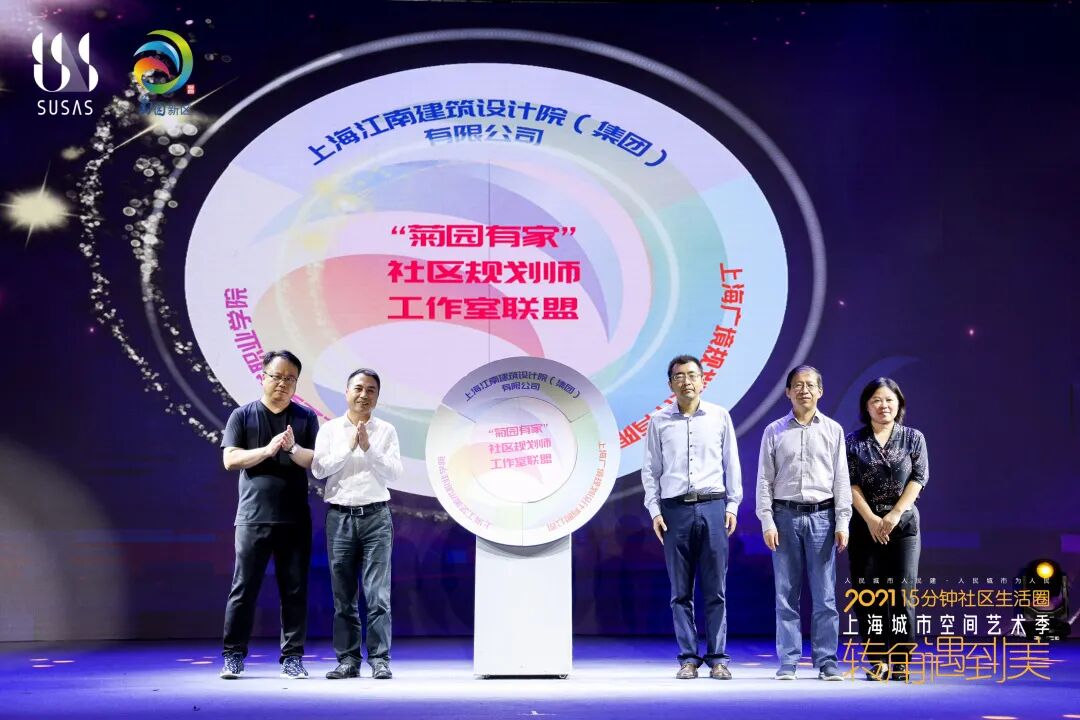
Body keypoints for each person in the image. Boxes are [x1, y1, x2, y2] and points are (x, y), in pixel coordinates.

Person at [641, 354, 742, 680]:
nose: (686, 381)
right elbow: (651, 470)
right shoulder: (659, 421)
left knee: (716, 590)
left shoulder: (719, 416)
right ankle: (687, 658)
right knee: (680, 592)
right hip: (674, 511)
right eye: (679, 376)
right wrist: (655, 511)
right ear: (670, 384)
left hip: (713, 507)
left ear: (703, 380)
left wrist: (732, 506)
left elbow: (731, 464)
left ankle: (718, 659)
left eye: (692, 375)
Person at [219, 350, 318, 680]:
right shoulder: (242, 415)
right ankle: (233, 655)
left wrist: (292, 448)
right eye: (277, 376)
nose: (283, 383)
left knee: (294, 590)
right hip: (253, 517)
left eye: (290, 379)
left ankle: (292, 658)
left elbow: (315, 462)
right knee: (244, 588)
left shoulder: (305, 417)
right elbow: (230, 460)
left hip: (295, 519)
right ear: (263, 377)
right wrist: (268, 449)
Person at [756, 365, 851, 681]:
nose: (804, 390)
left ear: (820, 391)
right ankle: (788, 661)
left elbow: (841, 480)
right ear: (788, 392)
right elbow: (764, 479)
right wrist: (767, 521)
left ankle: (826, 661)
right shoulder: (774, 431)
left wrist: (843, 522)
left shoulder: (833, 430)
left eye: (810, 385)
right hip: (784, 517)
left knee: (825, 596)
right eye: (797, 385)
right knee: (786, 595)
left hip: (823, 517)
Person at [312, 368, 402, 680]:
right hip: (340, 517)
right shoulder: (330, 429)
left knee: (378, 595)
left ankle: (380, 660)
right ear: (347, 392)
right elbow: (319, 469)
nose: (364, 395)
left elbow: (394, 473)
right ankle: (348, 660)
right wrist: (349, 446)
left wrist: (368, 448)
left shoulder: (386, 430)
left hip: (376, 518)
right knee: (343, 596)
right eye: (359, 389)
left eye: (371, 390)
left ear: (377, 396)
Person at [845, 377, 928, 681]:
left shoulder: (913, 438)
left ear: (899, 404)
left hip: (902, 526)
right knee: (868, 594)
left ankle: (901, 660)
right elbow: (849, 483)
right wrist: (871, 519)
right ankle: (877, 659)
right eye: (876, 400)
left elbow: (918, 478)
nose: (884, 406)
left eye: (889, 400)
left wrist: (893, 514)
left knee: (901, 594)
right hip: (864, 525)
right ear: (866, 406)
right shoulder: (853, 441)